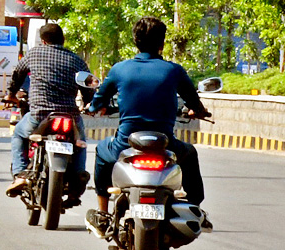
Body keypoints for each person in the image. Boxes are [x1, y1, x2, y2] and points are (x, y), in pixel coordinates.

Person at [85, 16, 212, 240]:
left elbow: (97, 102)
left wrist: (94, 107)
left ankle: (103, 211)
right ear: (162, 43)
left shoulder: (119, 69)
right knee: (190, 153)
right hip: (165, 145)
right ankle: (194, 207)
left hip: (125, 144)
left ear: (135, 41)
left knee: (102, 150)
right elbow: (194, 102)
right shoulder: (174, 71)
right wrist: (198, 112)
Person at [2, 23, 92, 198]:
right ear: (63, 40)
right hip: (70, 116)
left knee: (19, 134)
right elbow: (88, 87)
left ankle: (20, 174)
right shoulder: (76, 60)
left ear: (43, 41)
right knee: (79, 142)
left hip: (39, 115)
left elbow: (17, 75)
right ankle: (78, 174)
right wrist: (88, 103)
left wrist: (11, 94)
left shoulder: (34, 53)